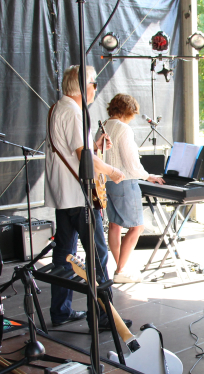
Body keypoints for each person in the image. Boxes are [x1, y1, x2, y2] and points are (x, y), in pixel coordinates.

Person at [45, 65, 125, 328]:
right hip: (79, 197)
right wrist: (113, 171)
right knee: (98, 257)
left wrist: (98, 144)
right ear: (81, 86)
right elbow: (84, 158)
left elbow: (75, 151)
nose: (95, 88)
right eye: (93, 83)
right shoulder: (73, 113)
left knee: (64, 255)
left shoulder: (58, 108)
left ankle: (61, 311)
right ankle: (103, 316)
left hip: (64, 194)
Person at [98, 93, 165, 283]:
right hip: (124, 182)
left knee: (114, 225)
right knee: (137, 227)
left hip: (106, 182)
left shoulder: (104, 125)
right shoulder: (123, 129)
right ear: (128, 111)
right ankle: (121, 271)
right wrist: (148, 176)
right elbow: (131, 164)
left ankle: (120, 266)